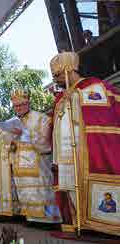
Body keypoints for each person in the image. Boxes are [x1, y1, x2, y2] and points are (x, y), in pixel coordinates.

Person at [50, 52, 120, 233]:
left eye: (57, 75)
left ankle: (101, 225)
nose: (55, 80)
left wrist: (75, 99)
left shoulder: (93, 88)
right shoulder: (62, 98)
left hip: (86, 152)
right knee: (70, 188)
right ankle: (79, 221)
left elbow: (104, 119)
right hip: (66, 156)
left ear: (68, 70)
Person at [8, 89, 61, 224]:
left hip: (38, 164)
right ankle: (31, 218)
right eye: (15, 106)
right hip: (20, 165)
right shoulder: (13, 121)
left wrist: (24, 134)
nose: (18, 109)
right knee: (25, 192)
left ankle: (48, 220)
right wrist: (12, 144)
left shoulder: (41, 118)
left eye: (20, 105)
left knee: (41, 190)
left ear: (28, 104)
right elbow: (10, 143)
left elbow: (46, 142)